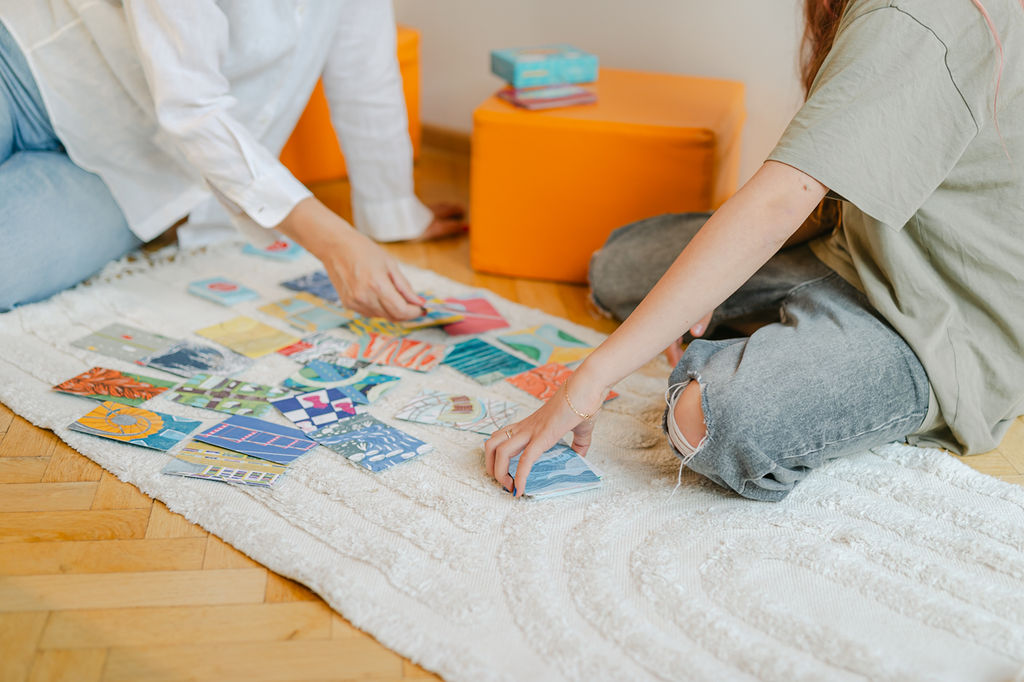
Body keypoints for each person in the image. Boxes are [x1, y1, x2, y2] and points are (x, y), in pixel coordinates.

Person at [486, 0, 1024, 501]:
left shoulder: (913, 16)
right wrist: (714, 276)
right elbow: (821, 189)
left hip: (944, 318)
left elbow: (778, 203)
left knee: (708, 421)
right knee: (620, 268)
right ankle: (786, 338)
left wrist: (587, 383)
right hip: (855, 247)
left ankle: (807, 361)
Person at [0, 1, 464, 318]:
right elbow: (193, 106)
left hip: (134, 171)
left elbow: (367, 75)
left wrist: (393, 209)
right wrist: (334, 241)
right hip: (26, 69)